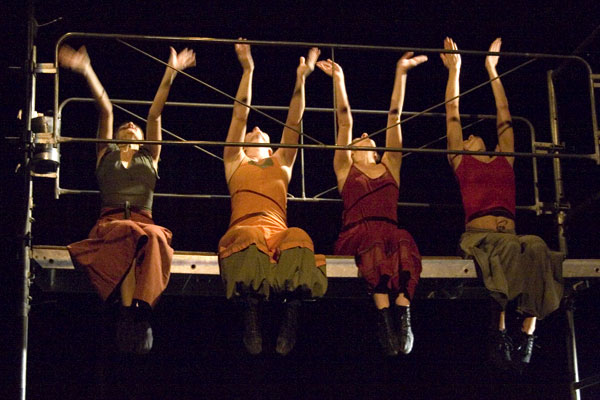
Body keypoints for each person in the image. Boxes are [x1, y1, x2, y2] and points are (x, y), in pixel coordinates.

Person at [62, 44, 196, 354]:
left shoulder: (152, 156)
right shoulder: (104, 154)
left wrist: (170, 73)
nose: (131, 125)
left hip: (143, 222)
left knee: (154, 237)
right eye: (126, 125)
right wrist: (86, 68)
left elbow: (154, 112)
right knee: (129, 234)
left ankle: (138, 308)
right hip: (111, 223)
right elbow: (106, 108)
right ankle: (130, 312)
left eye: (135, 126)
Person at [441, 37, 563, 368]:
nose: (469, 137)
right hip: (479, 237)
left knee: (537, 246)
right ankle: (499, 329)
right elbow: (452, 111)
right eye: (465, 139)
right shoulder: (460, 161)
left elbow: (505, 114)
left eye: (470, 136)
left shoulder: (503, 160)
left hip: (510, 236)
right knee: (508, 252)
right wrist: (456, 70)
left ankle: (528, 329)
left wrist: (492, 70)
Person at [218, 41, 327, 356]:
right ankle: (251, 312)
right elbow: (240, 114)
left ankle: (291, 312)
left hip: (278, 231)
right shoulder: (234, 161)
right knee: (251, 236)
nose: (255, 127)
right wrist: (248, 68)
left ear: (268, 143)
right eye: (251, 131)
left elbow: (294, 122)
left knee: (300, 236)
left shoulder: (281, 162)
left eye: (260, 130)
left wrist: (301, 78)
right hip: (246, 228)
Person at [317, 53, 426, 356]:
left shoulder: (391, 164)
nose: (365, 134)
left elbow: (395, 116)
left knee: (405, 238)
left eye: (369, 136)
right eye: (359, 137)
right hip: (357, 236)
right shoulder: (345, 169)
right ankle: (382, 314)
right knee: (376, 240)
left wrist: (400, 72)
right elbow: (344, 121)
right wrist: (339, 81)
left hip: (390, 233)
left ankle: (402, 312)